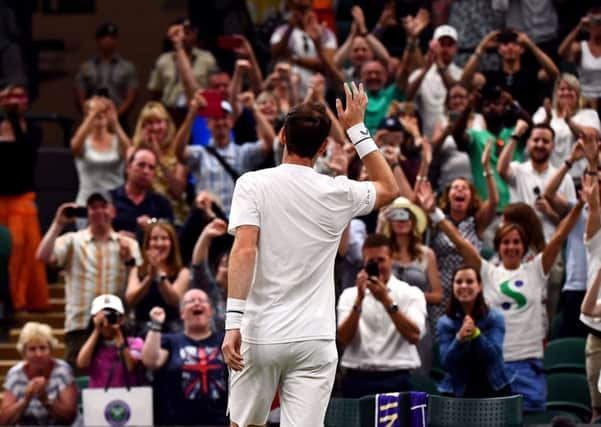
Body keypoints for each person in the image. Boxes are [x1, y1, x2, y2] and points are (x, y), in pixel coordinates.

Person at [222, 82, 399, 426]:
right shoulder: (338, 191)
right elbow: (389, 187)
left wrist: (233, 324)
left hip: (260, 334)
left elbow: (244, 251)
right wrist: (357, 130)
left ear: (282, 137)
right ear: (322, 148)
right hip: (314, 340)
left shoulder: (251, 184)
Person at [416, 178, 584, 412]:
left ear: (524, 246)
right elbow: (459, 241)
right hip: (495, 366)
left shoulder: (535, 269)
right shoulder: (488, 272)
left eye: (516, 242)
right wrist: (434, 212)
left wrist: (580, 205)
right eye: (506, 242)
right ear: (498, 245)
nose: (511, 247)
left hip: (528, 362)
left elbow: (559, 238)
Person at [36, 192, 141, 369]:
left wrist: (129, 260)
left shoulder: (128, 244)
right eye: (93, 207)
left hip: (117, 327)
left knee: (118, 386)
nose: (99, 211)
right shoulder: (73, 241)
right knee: (79, 384)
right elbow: (43, 256)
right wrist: (58, 223)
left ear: (113, 211)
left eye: (103, 206)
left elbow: (136, 285)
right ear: (87, 212)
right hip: (80, 325)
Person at [337, 234, 426, 397]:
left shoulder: (411, 293)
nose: (376, 266)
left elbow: (414, 335)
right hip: (357, 377)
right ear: (363, 262)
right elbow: (343, 339)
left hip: (397, 377)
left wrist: (386, 301)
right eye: (371, 262)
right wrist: (359, 299)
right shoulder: (349, 296)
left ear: (392, 259)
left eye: (381, 260)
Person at [429, 145, 498, 329]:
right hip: (443, 289)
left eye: (465, 188)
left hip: (470, 288)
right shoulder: (436, 221)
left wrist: (487, 169)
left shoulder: (476, 222)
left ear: (471, 196)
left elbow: (494, 202)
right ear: (448, 195)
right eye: (455, 188)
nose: (460, 190)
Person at [174, 94, 274, 216]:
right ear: (208, 124)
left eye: (225, 117)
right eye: (216, 118)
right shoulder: (200, 154)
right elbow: (179, 151)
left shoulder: (243, 153)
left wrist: (254, 109)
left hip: (235, 223)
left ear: (231, 122)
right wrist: (192, 114)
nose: (220, 122)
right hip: (208, 222)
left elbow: (271, 143)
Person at [142, 290, 228, 426]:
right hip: (179, 422)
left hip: (221, 421)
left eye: (202, 300)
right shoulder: (170, 341)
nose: (197, 303)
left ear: (211, 311)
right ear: (182, 313)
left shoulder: (224, 340)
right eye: (191, 301)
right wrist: (156, 325)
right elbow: (151, 362)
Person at [0, 84, 48, 311]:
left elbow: (25, 150)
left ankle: (17, 300)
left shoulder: (34, 129)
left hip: (21, 199)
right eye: (10, 97)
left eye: (19, 97)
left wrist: (13, 119)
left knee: (20, 249)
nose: (14, 101)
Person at [436, 266, 515, 397]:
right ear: (453, 287)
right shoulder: (445, 322)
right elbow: (446, 363)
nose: (464, 286)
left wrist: (476, 334)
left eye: (469, 281)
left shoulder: (495, 317)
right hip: (458, 391)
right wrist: (459, 339)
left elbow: (494, 357)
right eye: (459, 282)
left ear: (479, 286)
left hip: (493, 388)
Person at [498, 122, 577, 242]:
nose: (540, 145)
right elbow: (501, 169)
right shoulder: (517, 170)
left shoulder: (565, 178)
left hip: (551, 246)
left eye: (545, 141)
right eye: (536, 140)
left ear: (553, 146)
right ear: (528, 143)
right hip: (520, 245)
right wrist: (516, 135)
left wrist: (550, 213)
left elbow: (572, 222)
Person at [462, 29, 559, 115]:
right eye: (505, 44)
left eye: (515, 44)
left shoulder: (532, 74)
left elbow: (554, 74)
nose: (510, 47)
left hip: (528, 124)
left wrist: (531, 46)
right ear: (499, 50)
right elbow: (465, 81)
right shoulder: (490, 76)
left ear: (522, 49)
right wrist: (481, 47)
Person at [0, 322, 77, 425]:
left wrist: (45, 400)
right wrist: (25, 401)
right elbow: (4, 421)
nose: (38, 354)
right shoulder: (15, 374)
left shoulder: (62, 370)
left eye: (43, 348)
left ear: (51, 350)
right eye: (32, 349)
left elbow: (70, 417)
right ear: (23, 353)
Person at [130, 101, 191, 225]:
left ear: (167, 124)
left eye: (159, 122)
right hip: (142, 213)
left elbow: (178, 191)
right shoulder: (134, 151)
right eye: (149, 123)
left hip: (174, 216)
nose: (155, 128)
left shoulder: (178, 151)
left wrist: (159, 159)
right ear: (141, 127)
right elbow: (130, 182)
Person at [147, 18, 217, 124]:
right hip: (170, 113)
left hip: (198, 112)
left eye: (187, 32)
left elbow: (213, 89)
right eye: (179, 33)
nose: (183, 36)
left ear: (195, 34)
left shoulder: (207, 59)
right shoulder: (163, 60)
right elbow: (155, 92)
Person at [126, 222, 189, 335]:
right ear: (148, 243)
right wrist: (149, 278)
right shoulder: (137, 269)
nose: (159, 243)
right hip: (142, 329)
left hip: (172, 330)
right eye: (154, 238)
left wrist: (159, 273)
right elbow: (130, 300)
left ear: (172, 243)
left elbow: (174, 300)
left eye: (164, 238)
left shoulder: (182, 271)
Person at [532, 74, 600, 180]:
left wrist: (569, 122)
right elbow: (534, 136)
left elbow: (592, 137)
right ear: (556, 93)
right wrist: (548, 119)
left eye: (570, 89)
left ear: (577, 94)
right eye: (562, 89)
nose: (566, 92)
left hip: (578, 177)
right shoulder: (543, 112)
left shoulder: (589, 114)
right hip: (549, 177)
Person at [71, 96, 131, 207]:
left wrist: (115, 122)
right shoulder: (83, 142)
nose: (100, 113)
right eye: (94, 111)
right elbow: (74, 147)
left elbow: (130, 154)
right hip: (87, 204)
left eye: (104, 111)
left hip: (116, 205)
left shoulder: (118, 141)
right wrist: (93, 114)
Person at [76, 294, 144, 388]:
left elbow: (130, 367)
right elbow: (81, 363)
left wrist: (118, 336)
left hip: (128, 401)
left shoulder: (135, 343)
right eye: (103, 316)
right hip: (99, 400)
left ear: (122, 319)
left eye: (112, 315)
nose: (107, 320)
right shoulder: (92, 346)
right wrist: (97, 330)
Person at [407, 25, 463, 138]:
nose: (445, 48)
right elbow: (407, 97)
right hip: (427, 140)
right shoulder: (420, 74)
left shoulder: (461, 74)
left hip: (457, 140)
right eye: (442, 44)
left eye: (449, 44)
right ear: (433, 46)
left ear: (456, 48)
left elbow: (454, 91)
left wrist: (438, 61)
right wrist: (425, 69)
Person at [74, 22, 137, 123]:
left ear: (116, 40)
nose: (108, 40)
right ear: (97, 40)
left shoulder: (127, 67)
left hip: (119, 118)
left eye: (112, 37)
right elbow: (80, 96)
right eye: (104, 37)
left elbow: (131, 97)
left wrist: (117, 115)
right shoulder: (86, 67)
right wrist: (89, 114)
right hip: (92, 118)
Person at [110, 147, 175, 240]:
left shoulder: (161, 204)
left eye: (151, 168)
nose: (146, 171)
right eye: (141, 165)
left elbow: (171, 236)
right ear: (128, 167)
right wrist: (116, 237)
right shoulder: (110, 199)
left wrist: (153, 227)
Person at [558, 6, 601, 112]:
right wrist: (579, 26)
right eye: (595, 23)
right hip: (585, 98)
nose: (598, 26)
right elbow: (561, 52)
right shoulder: (580, 47)